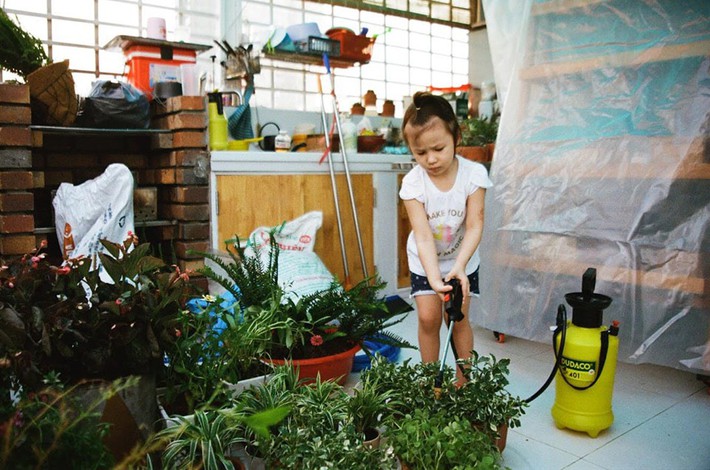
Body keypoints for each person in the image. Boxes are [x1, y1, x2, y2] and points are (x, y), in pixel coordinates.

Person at [399, 91, 493, 381]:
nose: (430, 159)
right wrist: (434, 277)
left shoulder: (473, 174)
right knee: (428, 319)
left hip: (461, 261)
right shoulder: (413, 183)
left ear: (455, 135)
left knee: (458, 320)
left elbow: (475, 225)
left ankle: (463, 385)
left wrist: (459, 267)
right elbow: (423, 237)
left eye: (438, 148)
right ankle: (432, 384)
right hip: (424, 261)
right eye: (420, 153)